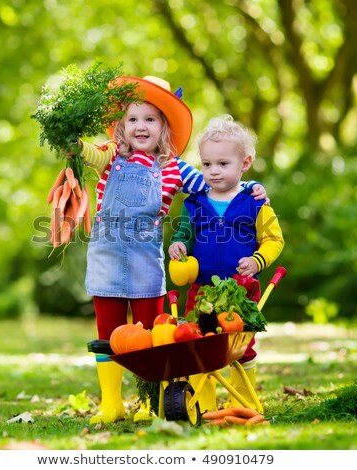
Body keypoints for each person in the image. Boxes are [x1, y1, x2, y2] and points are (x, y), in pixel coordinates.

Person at [60, 78, 268, 424]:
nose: (141, 126)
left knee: (149, 337)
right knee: (107, 335)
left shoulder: (175, 168)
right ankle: (111, 403)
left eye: (150, 119)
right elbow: (88, 153)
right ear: (121, 127)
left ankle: (148, 402)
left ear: (164, 127)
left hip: (145, 262)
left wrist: (250, 188)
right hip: (106, 258)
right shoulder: (110, 155)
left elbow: (218, 184)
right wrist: (72, 142)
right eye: (133, 119)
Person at [168, 114, 284, 411]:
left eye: (223, 164)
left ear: (245, 163)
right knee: (199, 343)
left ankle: (242, 402)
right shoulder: (193, 203)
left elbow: (274, 239)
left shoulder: (255, 202)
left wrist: (258, 261)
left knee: (241, 347)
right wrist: (179, 244)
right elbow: (184, 234)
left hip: (241, 289)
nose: (213, 171)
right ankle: (203, 405)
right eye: (207, 164)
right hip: (202, 289)